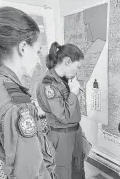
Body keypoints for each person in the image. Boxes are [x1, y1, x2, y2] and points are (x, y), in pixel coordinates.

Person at [0, 7, 56, 179]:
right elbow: (29, 174)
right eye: (38, 51)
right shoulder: (17, 105)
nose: (39, 61)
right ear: (23, 47)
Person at [36, 42, 86, 179]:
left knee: (78, 170)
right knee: (64, 173)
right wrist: (73, 93)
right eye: (77, 67)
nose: (77, 71)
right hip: (61, 135)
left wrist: (74, 93)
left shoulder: (65, 80)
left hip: (75, 132)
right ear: (67, 61)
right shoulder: (48, 85)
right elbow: (63, 116)